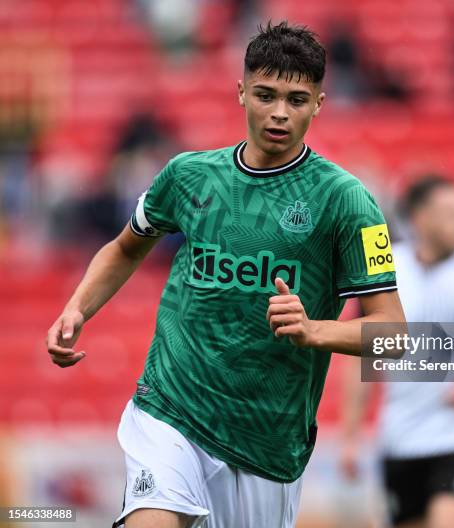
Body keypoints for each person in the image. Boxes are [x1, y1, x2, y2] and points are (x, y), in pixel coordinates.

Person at [45, 21, 405, 528]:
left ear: (320, 103)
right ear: (241, 91)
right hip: (171, 408)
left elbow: (396, 334)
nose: (279, 112)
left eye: (297, 100)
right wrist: (77, 307)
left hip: (267, 440)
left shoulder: (348, 202)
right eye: (265, 94)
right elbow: (126, 249)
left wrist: (314, 330)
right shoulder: (188, 175)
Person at [340, 175, 454, 528]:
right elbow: (363, 355)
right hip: (399, 436)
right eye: (452, 213)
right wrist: (350, 434)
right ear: (420, 218)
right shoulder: (387, 265)